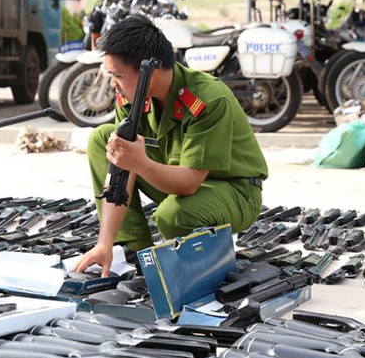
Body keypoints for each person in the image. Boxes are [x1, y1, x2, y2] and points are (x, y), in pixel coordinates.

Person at [74, 15, 268, 277]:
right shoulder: (131, 99)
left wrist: (140, 163)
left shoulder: (208, 99)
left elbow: (189, 182)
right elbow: (119, 175)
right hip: (175, 181)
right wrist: (104, 243)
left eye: (117, 75)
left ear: (147, 72)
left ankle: (210, 264)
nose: (112, 83)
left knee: (172, 215)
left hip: (234, 191)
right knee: (102, 138)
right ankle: (133, 251)